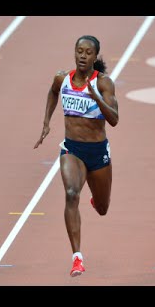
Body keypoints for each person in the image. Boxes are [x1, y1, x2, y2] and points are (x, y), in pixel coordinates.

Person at [34, 35, 119, 277]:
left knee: (103, 208)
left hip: (98, 152)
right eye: (79, 51)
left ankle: (97, 199)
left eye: (88, 52)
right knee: (71, 193)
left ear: (95, 57)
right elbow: (52, 93)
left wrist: (97, 99)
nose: (82, 56)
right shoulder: (63, 79)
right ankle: (77, 257)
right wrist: (46, 122)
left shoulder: (103, 84)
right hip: (72, 150)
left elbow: (114, 119)